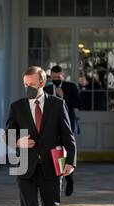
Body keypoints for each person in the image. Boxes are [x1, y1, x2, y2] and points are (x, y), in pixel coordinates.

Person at [6, 66, 76, 206]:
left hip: (51, 166)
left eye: (32, 85)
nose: (27, 88)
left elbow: (68, 135)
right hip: (25, 168)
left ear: (42, 84)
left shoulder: (57, 104)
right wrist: (18, 141)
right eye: (25, 84)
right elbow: (8, 134)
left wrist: (70, 162)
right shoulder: (17, 106)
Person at [44, 65, 81, 197]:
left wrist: (63, 96)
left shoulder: (71, 87)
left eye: (58, 78)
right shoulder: (46, 89)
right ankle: (58, 178)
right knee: (57, 153)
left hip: (67, 125)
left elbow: (78, 103)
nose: (55, 80)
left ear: (63, 76)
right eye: (53, 78)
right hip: (51, 126)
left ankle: (69, 179)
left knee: (68, 152)